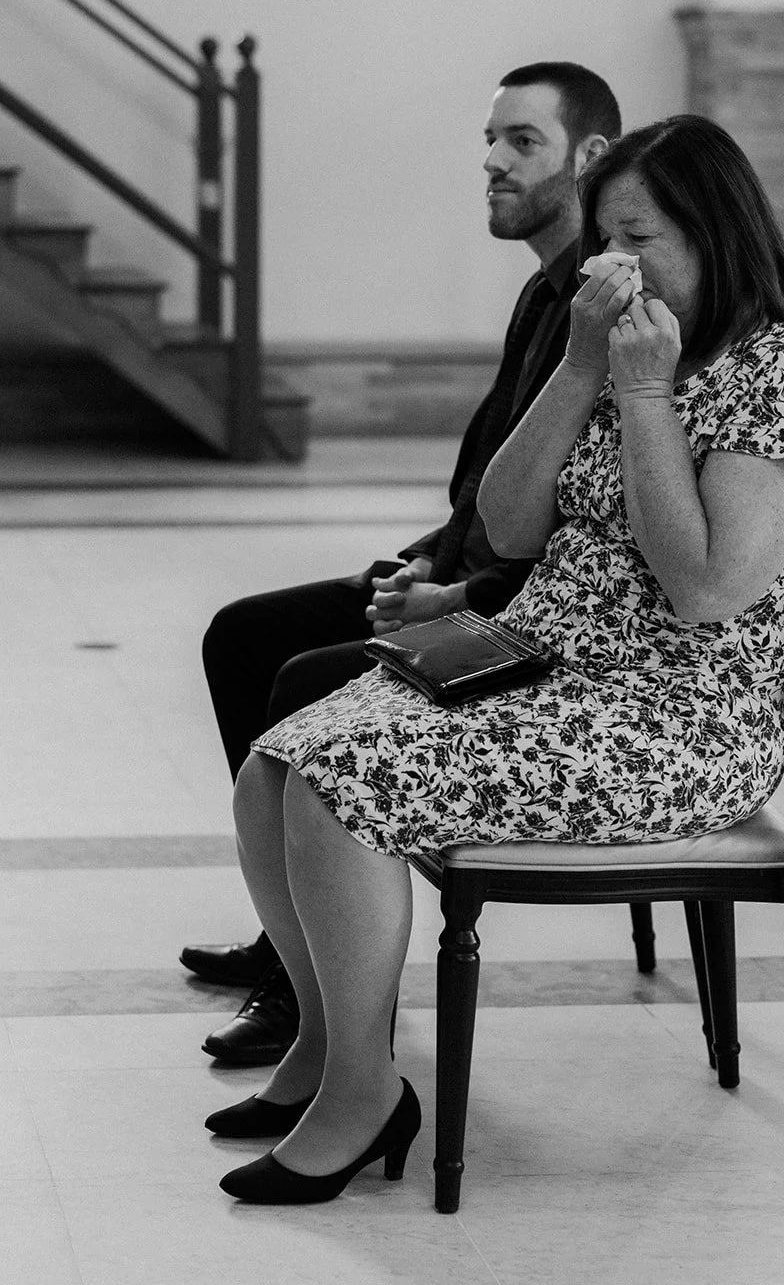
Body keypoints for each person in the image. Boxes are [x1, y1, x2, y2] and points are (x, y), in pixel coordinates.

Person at [211, 113, 784, 1204]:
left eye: (639, 236)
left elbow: (706, 590)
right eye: (604, 237)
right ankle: (329, 1046)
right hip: (547, 661)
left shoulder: (781, 373)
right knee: (274, 761)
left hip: (673, 715)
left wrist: (648, 398)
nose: (612, 265)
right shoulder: (624, 342)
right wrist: (575, 369)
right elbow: (509, 530)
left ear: (716, 233)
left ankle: (365, 1098)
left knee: (335, 789)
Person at [180, 61, 622, 1064]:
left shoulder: (595, 317)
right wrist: (419, 562)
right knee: (241, 634)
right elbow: (487, 487)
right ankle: (289, 939)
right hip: (460, 579)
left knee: (300, 679)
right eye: (490, 140)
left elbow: (579, 530)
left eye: (522, 143)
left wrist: (452, 594)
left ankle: (328, 994)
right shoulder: (539, 298)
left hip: (515, 616)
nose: (491, 163)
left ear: (590, 158)